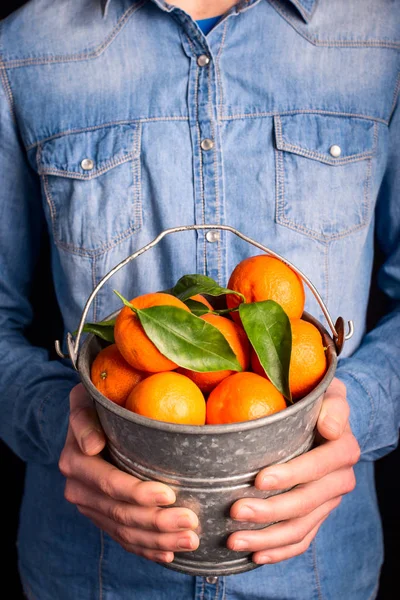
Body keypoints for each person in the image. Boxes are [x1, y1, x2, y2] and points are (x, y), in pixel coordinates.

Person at [0, 0, 398, 598]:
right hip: (91, 574)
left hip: (318, 576)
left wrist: (353, 415)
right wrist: (57, 421)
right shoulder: (29, 48)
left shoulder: (381, 35)